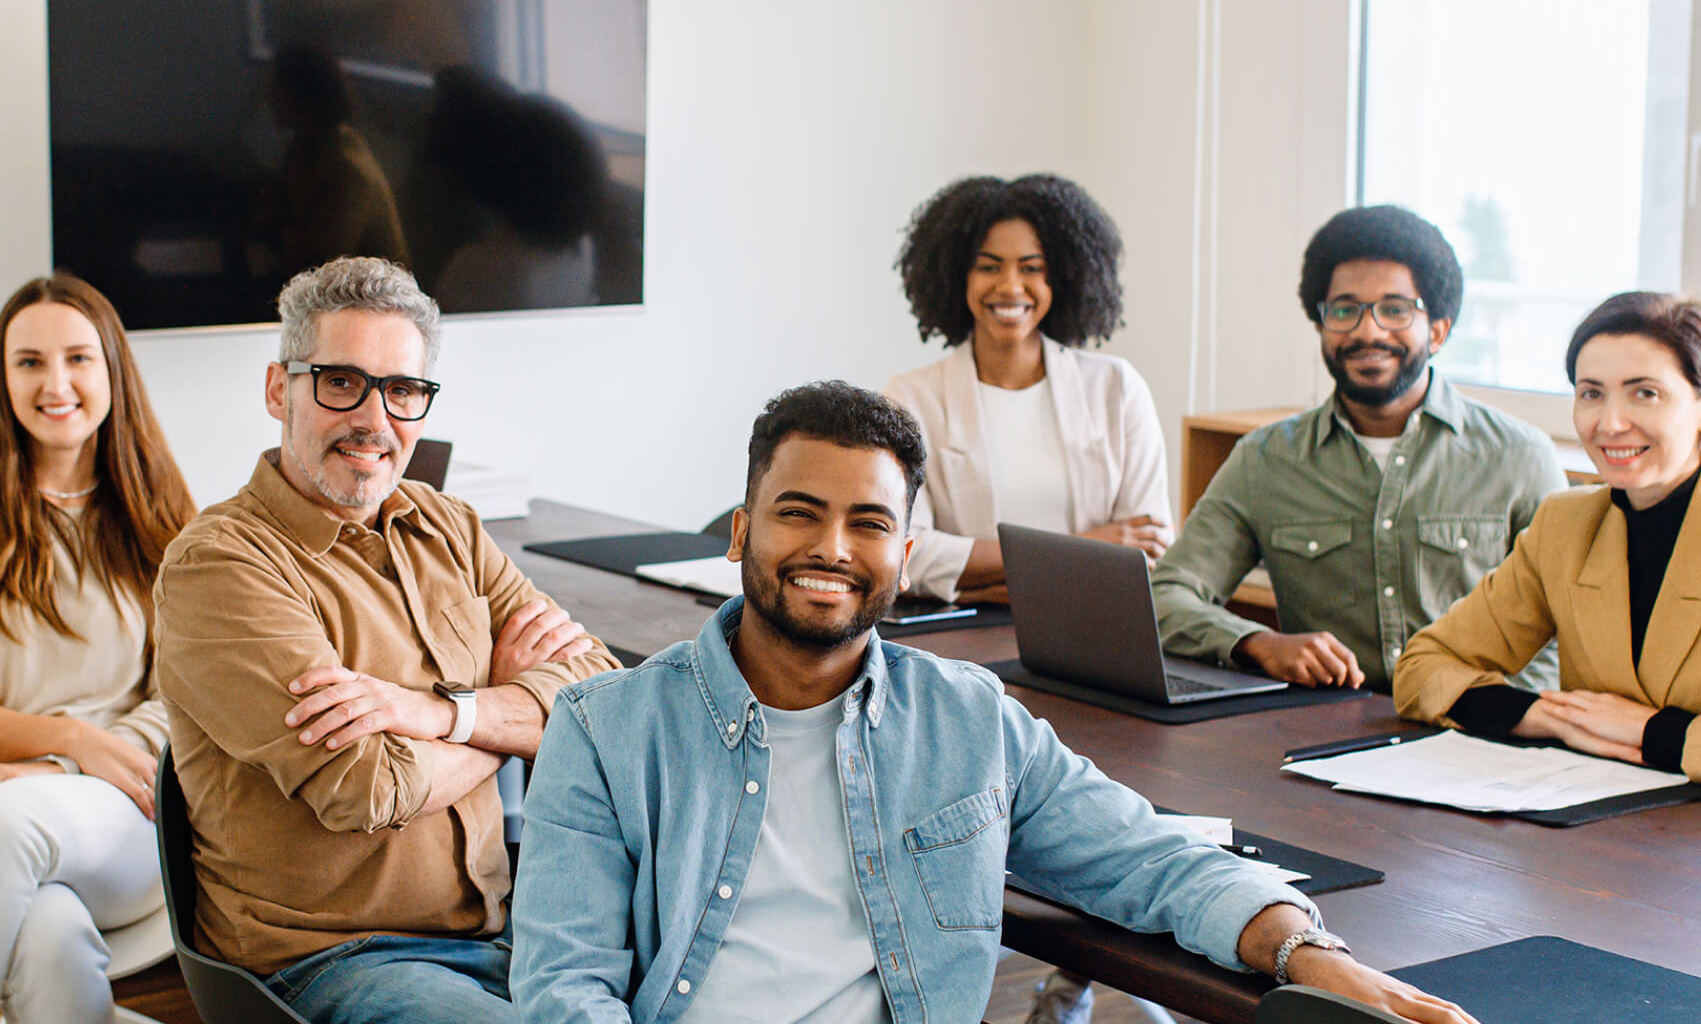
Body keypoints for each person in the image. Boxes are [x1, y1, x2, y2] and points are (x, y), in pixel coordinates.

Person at [510, 381, 1477, 1024]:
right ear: (740, 529)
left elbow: (1148, 859)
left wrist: (1305, 948)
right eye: (799, 511)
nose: (833, 548)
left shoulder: (970, 721)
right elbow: (566, 990)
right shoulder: (607, 730)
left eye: (871, 523)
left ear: (904, 553)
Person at [152, 256, 620, 1024]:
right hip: (331, 961)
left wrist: (434, 714)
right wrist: (510, 724)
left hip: (515, 930)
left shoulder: (450, 525)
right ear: (280, 390)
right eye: (341, 382)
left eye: (402, 391)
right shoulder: (220, 566)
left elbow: (602, 699)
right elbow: (365, 790)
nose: (375, 419)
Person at [1394, 293, 1701, 806]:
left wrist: (1647, 730)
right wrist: (1558, 718)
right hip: (1624, 825)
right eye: (1591, 393)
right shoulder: (1565, 524)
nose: (1611, 422)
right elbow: (1424, 667)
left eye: (1644, 393)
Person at [0, 272, 196, 1024]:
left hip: (111, 799)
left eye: (79, 358)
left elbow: (182, 701)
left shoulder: (171, 520)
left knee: (6, 823)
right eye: (29, 362)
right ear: (3, 379)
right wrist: (64, 735)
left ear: (113, 369)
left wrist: (64, 760)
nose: (56, 382)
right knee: (48, 937)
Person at [1150, 206, 1568, 690]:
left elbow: (1569, 630)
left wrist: (1498, 713)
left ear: (1438, 330)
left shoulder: (1519, 457)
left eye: (1395, 309)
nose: (1368, 332)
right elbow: (1168, 596)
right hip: (1324, 733)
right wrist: (1258, 644)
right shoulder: (1264, 460)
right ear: (1321, 325)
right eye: (1344, 310)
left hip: (1480, 736)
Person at [881, 174, 1177, 606]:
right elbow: (905, 552)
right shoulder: (910, 398)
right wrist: (1089, 545)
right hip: (962, 639)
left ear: (1063, 278)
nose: (1010, 286)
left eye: (1032, 268)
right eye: (988, 266)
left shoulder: (1117, 388)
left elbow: (1148, 545)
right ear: (956, 275)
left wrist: (986, 579)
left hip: (1098, 620)